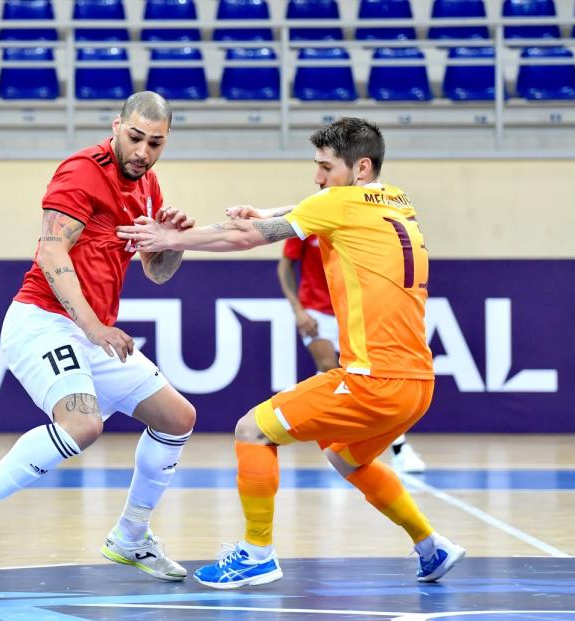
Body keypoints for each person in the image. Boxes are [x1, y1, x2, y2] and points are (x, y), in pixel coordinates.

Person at [117, 117, 465, 589]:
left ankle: (256, 552)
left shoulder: (339, 204)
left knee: (252, 430)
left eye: (326, 167)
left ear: (360, 167)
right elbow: (319, 206)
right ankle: (431, 546)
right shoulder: (395, 199)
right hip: (418, 384)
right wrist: (266, 211)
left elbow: (243, 237)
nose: (318, 177)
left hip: (372, 379)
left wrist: (173, 239)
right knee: (346, 458)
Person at [0, 91, 197, 583]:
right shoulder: (81, 171)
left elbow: (158, 273)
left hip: (89, 332)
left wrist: (173, 243)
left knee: (177, 417)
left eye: (155, 144)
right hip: (43, 319)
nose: (143, 152)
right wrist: (94, 327)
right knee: (82, 424)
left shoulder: (148, 187)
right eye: (135, 138)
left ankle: (131, 536)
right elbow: (52, 252)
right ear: (116, 126)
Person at [276, 234, 427, 474]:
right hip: (316, 310)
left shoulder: (358, 225)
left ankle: (399, 450)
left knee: (377, 377)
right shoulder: (309, 221)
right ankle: (332, 441)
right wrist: (298, 310)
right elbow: (285, 266)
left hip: (356, 311)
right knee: (328, 366)